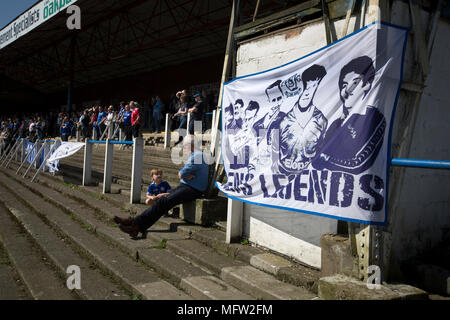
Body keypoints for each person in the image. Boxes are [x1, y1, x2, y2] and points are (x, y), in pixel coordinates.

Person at [114, 135, 209, 238]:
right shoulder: (197, 155)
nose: (184, 148)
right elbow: (183, 175)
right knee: (162, 202)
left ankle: (134, 224)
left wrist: (184, 176)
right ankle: (135, 224)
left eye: (185, 146)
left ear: (190, 145)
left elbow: (181, 174)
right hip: (188, 187)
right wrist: (185, 177)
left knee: (163, 201)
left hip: (193, 189)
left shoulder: (197, 156)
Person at [312, 56, 386, 174]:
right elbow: (317, 161)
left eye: (354, 83)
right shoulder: (336, 123)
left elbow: (359, 164)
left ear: (366, 85)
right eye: (344, 84)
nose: (346, 90)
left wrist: (326, 159)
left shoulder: (374, 118)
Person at [272, 64, 328, 175]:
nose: (307, 92)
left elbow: (322, 148)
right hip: (285, 174)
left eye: (313, 87)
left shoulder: (321, 120)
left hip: (308, 179)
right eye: (306, 87)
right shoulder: (283, 121)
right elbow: (274, 149)